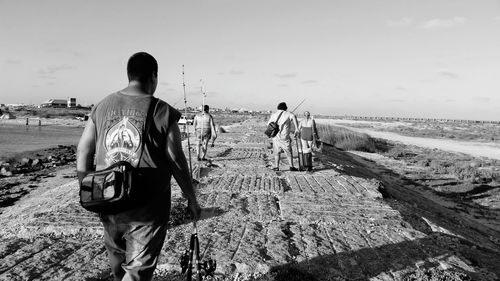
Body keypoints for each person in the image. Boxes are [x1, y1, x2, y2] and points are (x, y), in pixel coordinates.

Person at [76, 52, 201, 281]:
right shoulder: (162, 111)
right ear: (154, 76)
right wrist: (191, 198)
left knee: (118, 266)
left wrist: (87, 189)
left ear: (129, 74)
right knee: (136, 273)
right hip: (148, 208)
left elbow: (84, 150)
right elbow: (175, 160)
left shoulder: (102, 106)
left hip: (108, 200)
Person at [268, 102, 299, 171]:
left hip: (275, 137)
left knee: (277, 152)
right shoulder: (288, 114)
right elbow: (294, 117)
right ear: (285, 108)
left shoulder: (274, 114)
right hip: (284, 137)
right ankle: (291, 166)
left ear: (278, 107)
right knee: (288, 152)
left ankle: (276, 167)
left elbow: (268, 124)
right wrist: (297, 129)